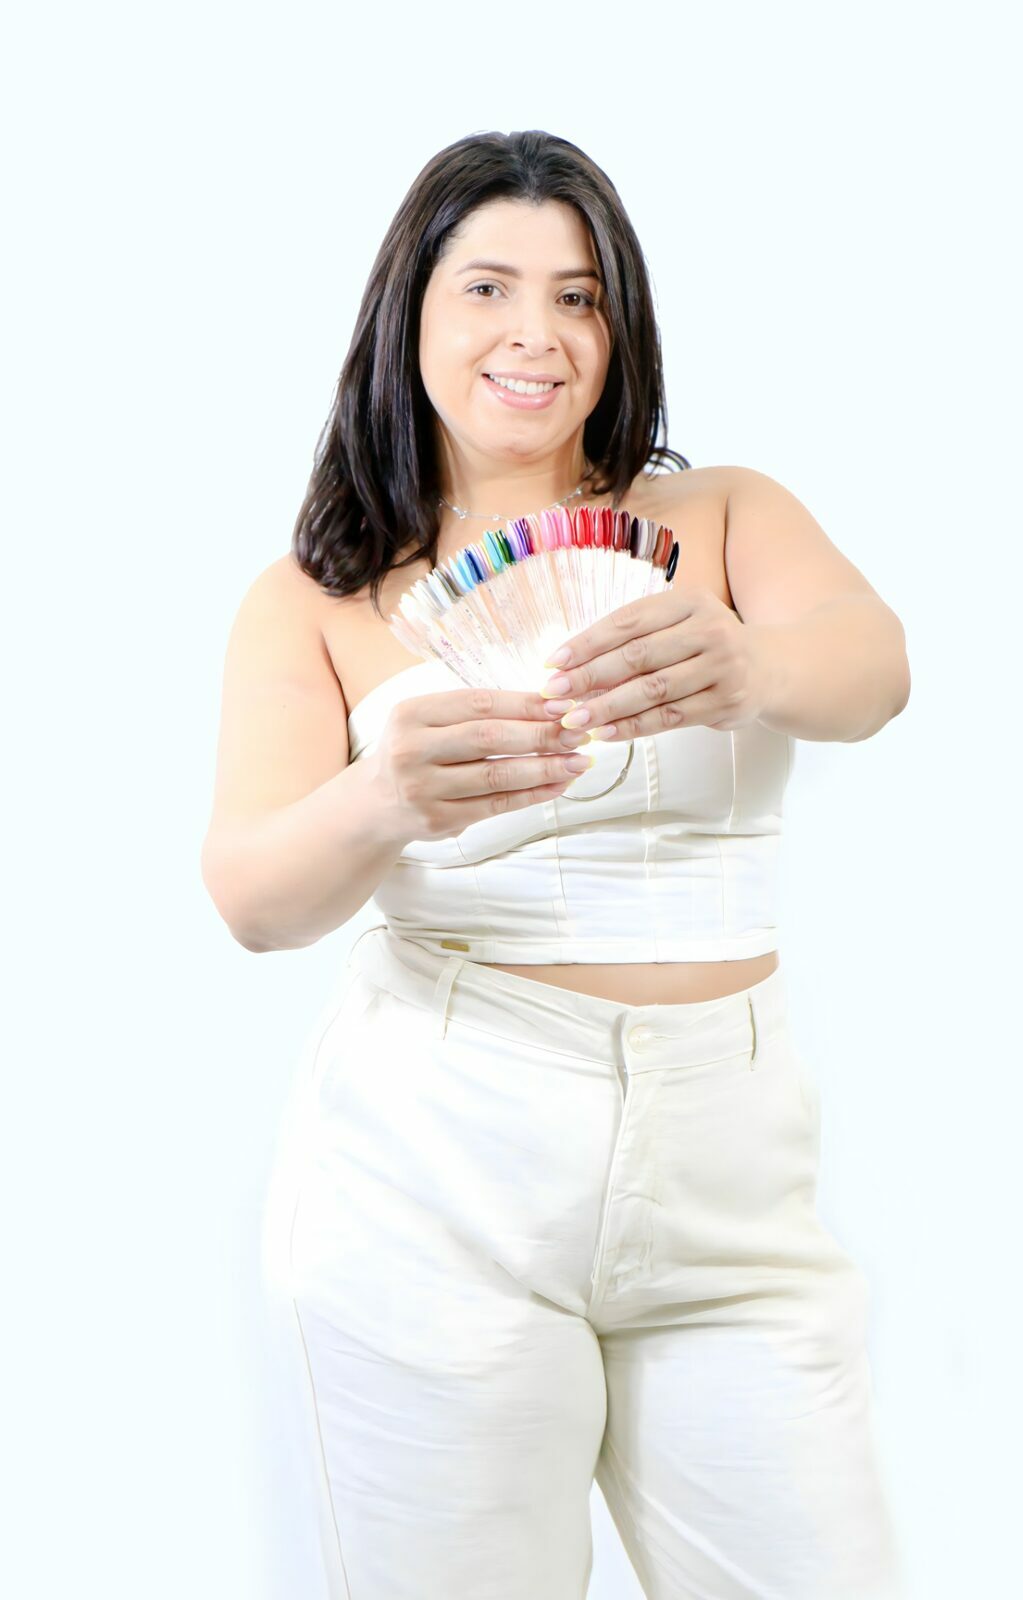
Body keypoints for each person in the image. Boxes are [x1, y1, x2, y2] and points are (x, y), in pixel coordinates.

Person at [202, 129, 911, 1600]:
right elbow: (256, 899)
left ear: (619, 326)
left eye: (579, 297)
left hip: (732, 1171)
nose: (536, 334)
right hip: (435, 1170)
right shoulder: (317, 599)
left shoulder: (719, 517)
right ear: (408, 313)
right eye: (488, 289)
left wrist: (751, 663)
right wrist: (382, 797)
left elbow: (873, 669)